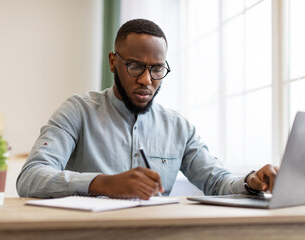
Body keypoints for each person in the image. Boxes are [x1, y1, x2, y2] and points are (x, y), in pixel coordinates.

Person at [16, 19, 278, 199]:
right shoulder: (78, 111)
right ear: (112, 62)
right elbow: (30, 178)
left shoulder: (179, 128)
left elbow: (217, 182)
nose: (146, 80)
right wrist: (103, 183)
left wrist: (251, 181)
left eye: (157, 69)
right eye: (134, 66)